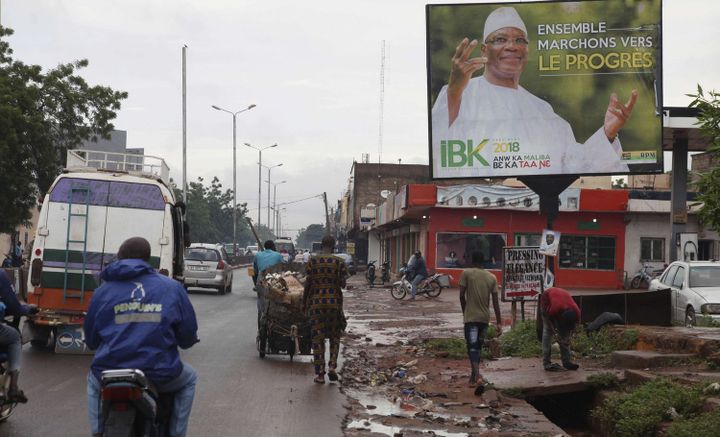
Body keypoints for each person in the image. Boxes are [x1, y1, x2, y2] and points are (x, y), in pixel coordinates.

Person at [431, 6, 637, 176]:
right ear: (484, 50)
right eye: (501, 39)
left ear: (526, 52)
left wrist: (608, 133)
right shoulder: (459, 94)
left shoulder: (542, 110)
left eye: (519, 40)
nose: (512, 46)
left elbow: (574, 166)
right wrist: (454, 90)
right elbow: (440, 149)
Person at [84, 237, 199, 437]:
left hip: (109, 369)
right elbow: (187, 336)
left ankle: (96, 432)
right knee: (189, 379)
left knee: (93, 381)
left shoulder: (102, 291)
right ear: (148, 259)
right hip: (160, 371)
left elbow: (91, 339)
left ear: (119, 258)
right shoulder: (171, 288)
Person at [303, 235, 348, 384]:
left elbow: (307, 284)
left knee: (318, 339)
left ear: (321, 246)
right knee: (335, 337)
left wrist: (304, 303)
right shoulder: (339, 262)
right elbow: (343, 284)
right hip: (334, 305)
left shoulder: (312, 261)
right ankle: (332, 367)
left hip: (316, 305)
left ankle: (320, 374)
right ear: (334, 246)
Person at [458, 252, 502, 386]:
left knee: (472, 347)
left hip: (471, 318)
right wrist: (499, 322)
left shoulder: (466, 273)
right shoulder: (492, 277)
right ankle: (473, 375)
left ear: (472, 260)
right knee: (478, 347)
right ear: (484, 261)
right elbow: (495, 302)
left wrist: (465, 311)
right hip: (484, 319)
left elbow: (461, 296)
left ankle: (477, 376)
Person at [0, 270, 37, 403]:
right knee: (15, 337)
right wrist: (27, 309)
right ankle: (13, 388)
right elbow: (15, 308)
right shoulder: (1, 275)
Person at [538, 287, 581, 371]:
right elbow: (550, 325)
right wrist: (557, 337)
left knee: (564, 334)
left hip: (560, 298)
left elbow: (574, 328)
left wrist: (568, 339)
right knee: (548, 331)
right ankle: (546, 362)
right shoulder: (554, 310)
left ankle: (567, 362)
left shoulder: (577, 312)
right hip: (547, 299)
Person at [252, 240, 284, 325]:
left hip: (261, 282)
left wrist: (256, 284)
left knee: (260, 299)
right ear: (273, 247)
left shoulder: (258, 255)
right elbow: (283, 269)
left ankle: (261, 313)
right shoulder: (278, 255)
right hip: (274, 282)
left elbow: (254, 272)